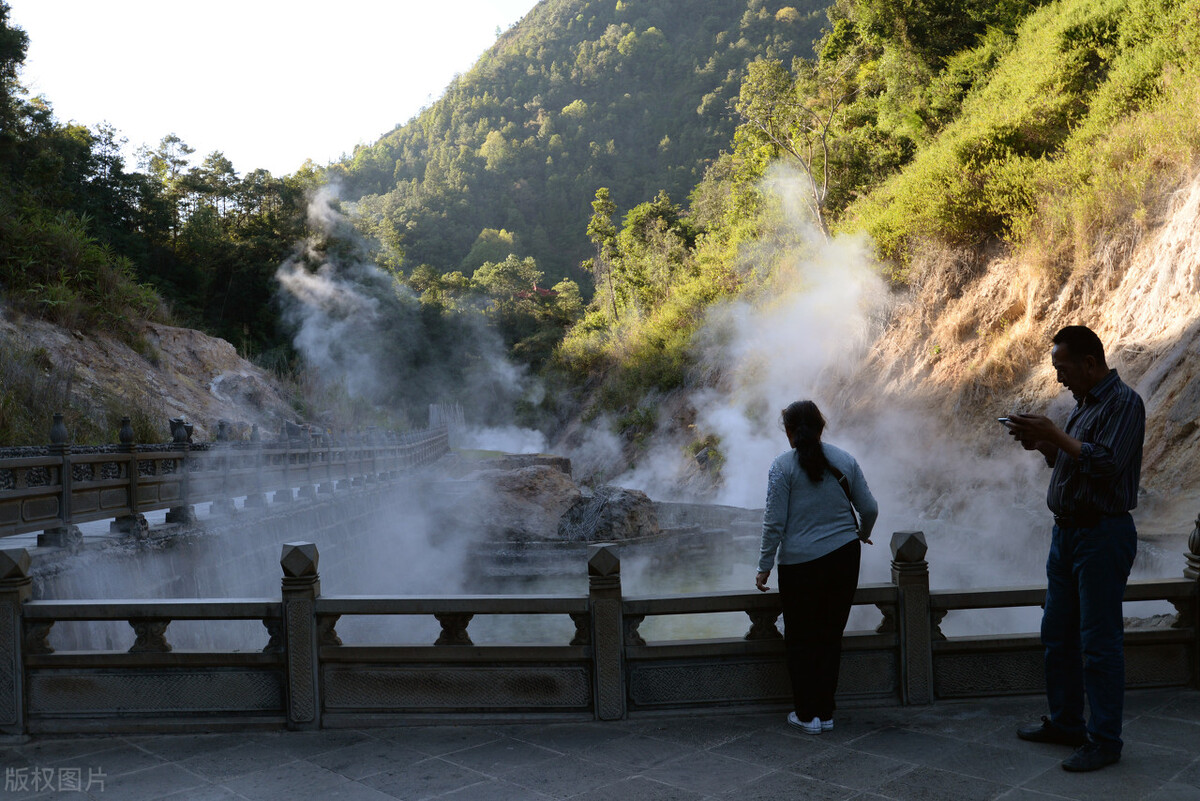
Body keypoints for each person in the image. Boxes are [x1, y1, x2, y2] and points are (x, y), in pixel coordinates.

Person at [1005, 325, 1144, 773]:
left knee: (1099, 643)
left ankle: (1105, 740)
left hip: (1102, 535)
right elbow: (1071, 462)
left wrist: (1058, 436)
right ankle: (1067, 723)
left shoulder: (1124, 403)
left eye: (1062, 368)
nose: (1059, 378)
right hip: (1067, 534)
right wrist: (1045, 445)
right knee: (1058, 635)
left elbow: (1105, 464)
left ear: (1089, 363)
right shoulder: (1083, 407)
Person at [756, 400, 878, 735]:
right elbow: (869, 508)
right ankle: (825, 712)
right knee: (829, 635)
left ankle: (806, 714)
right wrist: (862, 535)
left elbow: (774, 522)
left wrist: (764, 566)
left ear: (790, 433)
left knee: (800, 638)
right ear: (821, 428)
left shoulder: (782, 467)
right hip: (843, 558)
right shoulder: (845, 460)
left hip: (799, 565)